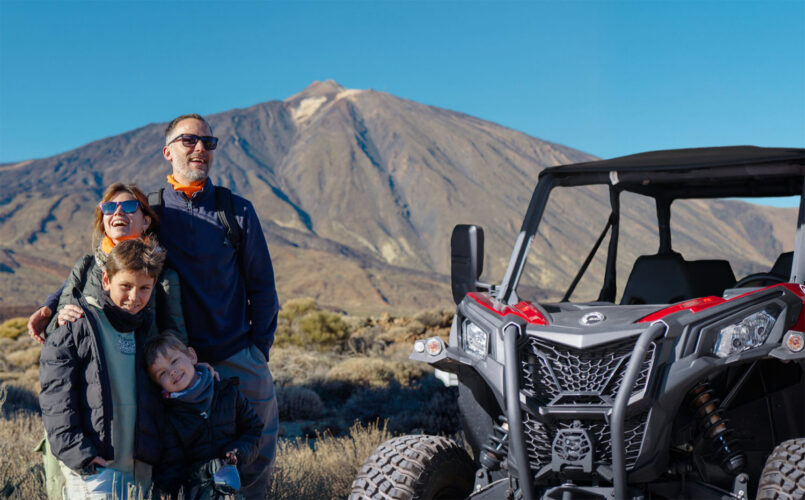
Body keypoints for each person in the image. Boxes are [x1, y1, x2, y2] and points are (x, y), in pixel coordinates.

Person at [28, 183, 187, 500]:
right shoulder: (87, 266)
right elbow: (63, 336)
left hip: (142, 397)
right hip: (90, 404)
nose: (118, 213)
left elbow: (175, 333)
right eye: (109, 208)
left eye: (129, 208)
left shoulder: (162, 274)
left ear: (146, 221)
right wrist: (54, 310)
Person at [157, 113, 279, 498]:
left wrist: (257, 350)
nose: (200, 149)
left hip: (238, 356)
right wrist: (54, 304)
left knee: (255, 452)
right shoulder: (151, 214)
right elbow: (105, 260)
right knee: (180, 460)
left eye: (208, 143)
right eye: (189, 141)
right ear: (167, 151)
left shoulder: (235, 210)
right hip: (176, 368)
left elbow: (262, 286)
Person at [39, 239, 166, 499]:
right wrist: (80, 454)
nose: (134, 297)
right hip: (96, 470)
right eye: (126, 286)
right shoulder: (77, 325)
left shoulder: (144, 332)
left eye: (144, 288)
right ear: (106, 281)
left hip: (138, 470)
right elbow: (56, 398)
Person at [145, 332, 264, 498]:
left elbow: (253, 429)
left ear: (192, 356)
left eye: (174, 361)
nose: (171, 371)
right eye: (162, 373)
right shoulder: (170, 416)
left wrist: (236, 454)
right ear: (158, 384)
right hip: (197, 491)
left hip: (234, 484)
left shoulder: (227, 392)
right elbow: (172, 466)